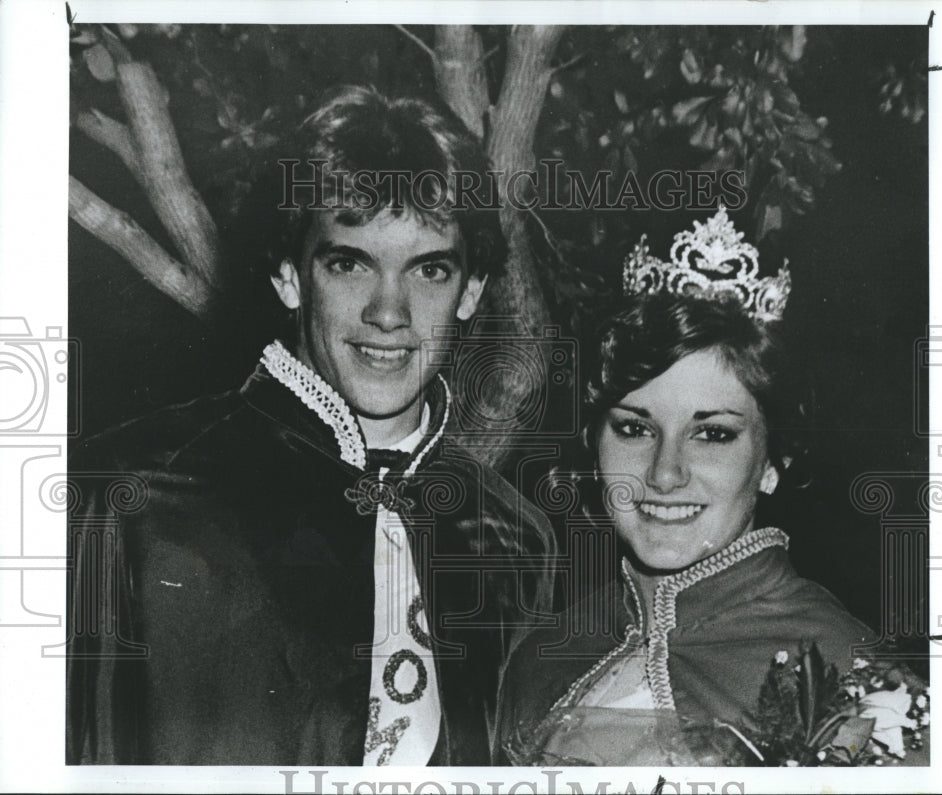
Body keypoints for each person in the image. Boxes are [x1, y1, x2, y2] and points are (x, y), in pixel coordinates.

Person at [66, 86, 555, 766]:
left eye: (430, 269)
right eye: (349, 262)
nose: (390, 311)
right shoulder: (130, 497)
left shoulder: (512, 537)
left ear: (471, 291)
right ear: (290, 275)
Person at [495, 207, 878, 766]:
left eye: (714, 434)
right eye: (634, 428)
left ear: (775, 459)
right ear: (592, 441)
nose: (665, 473)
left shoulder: (851, 676)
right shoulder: (543, 659)